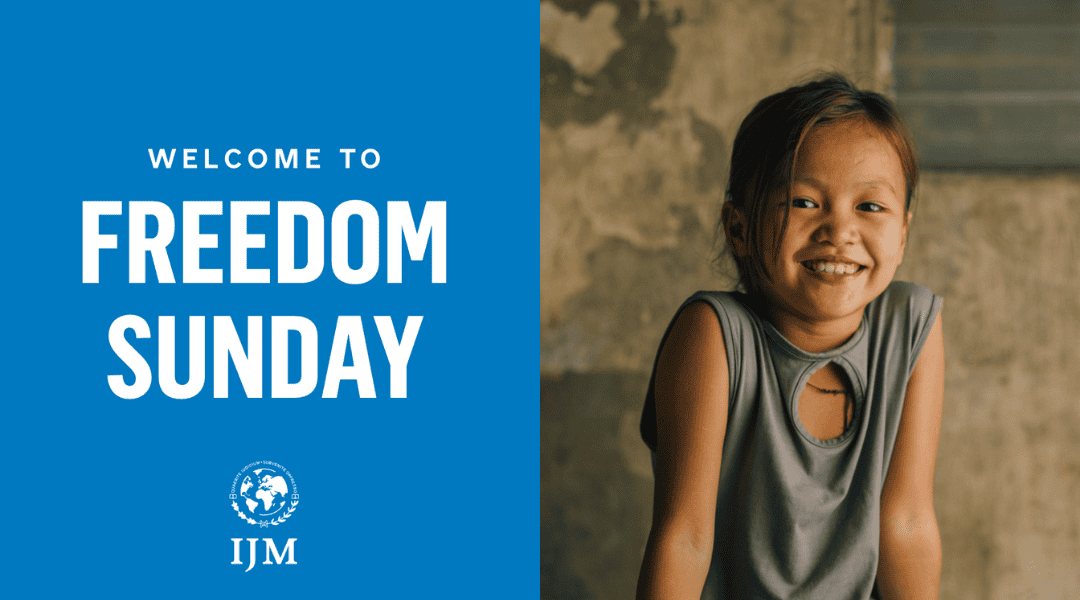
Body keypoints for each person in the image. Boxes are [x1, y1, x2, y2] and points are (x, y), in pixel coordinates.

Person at [636, 74, 944, 599]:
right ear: (738, 228)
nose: (839, 231)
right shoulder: (715, 334)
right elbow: (684, 538)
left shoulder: (911, 325)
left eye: (869, 207)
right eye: (804, 202)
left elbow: (907, 523)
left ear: (903, 233)